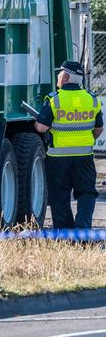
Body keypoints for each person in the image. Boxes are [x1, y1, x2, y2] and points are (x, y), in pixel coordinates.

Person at [34, 60, 103, 229]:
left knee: (59, 196)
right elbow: (99, 129)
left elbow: (42, 128)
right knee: (87, 193)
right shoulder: (92, 100)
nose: (58, 76)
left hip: (58, 159)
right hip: (84, 158)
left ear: (65, 77)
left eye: (60, 73)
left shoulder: (54, 100)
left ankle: (66, 234)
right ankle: (82, 230)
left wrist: (36, 123)